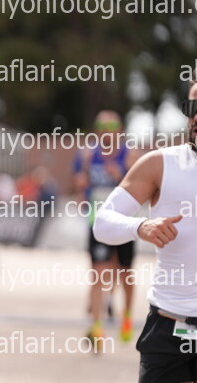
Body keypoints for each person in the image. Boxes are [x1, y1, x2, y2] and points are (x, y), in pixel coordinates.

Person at [93, 82, 197, 382]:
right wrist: (140, 226)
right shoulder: (159, 164)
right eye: (193, 107)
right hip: (168, 327)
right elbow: (103, 222)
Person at [73, 110, 138, 344]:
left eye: (111, 128)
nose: (106, 133)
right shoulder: (88, 154)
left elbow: (139, 189)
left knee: (125, 273)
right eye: (102, 128)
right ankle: (97, 327)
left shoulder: (130, 155)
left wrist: (119, 175)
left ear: (120, 130)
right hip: (97, 221)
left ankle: (126, 318)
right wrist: (82, 188)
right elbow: (79, 184)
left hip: (123, 221)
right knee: (98, 273)